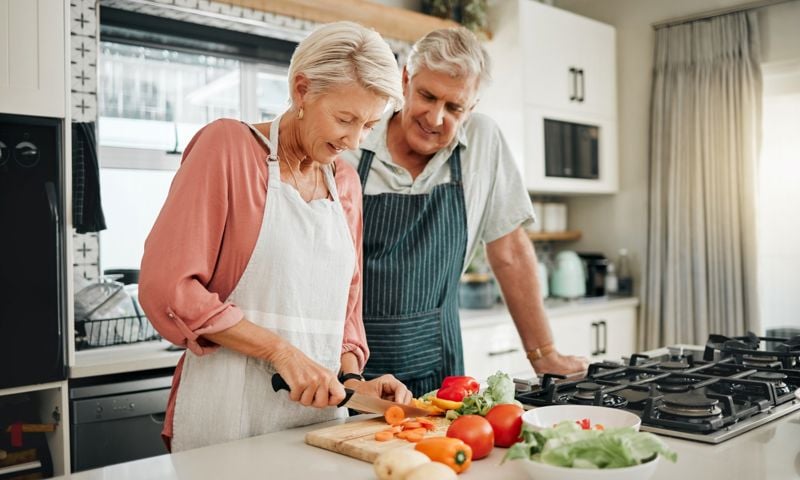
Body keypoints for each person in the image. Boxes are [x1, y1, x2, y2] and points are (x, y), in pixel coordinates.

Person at [139, 21, 411, 452]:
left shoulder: (345, 182)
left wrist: (356, 383)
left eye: (368, 125)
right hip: (227, 416)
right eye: (345, 119)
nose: (354, 139)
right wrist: (281, 353)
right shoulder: (226, 147)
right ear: (302, 90)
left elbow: (347, 306)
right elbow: (169, 288)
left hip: (320, 424)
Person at [341, 27, 589, 396]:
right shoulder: (352, 144)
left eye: (454, 107)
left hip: (440, 363)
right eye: (427, 95)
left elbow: (509, 252)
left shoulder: (483, 142)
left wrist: (544, 354)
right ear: (405, 80)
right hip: (352, 366)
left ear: (471, 108)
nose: (436, 117)